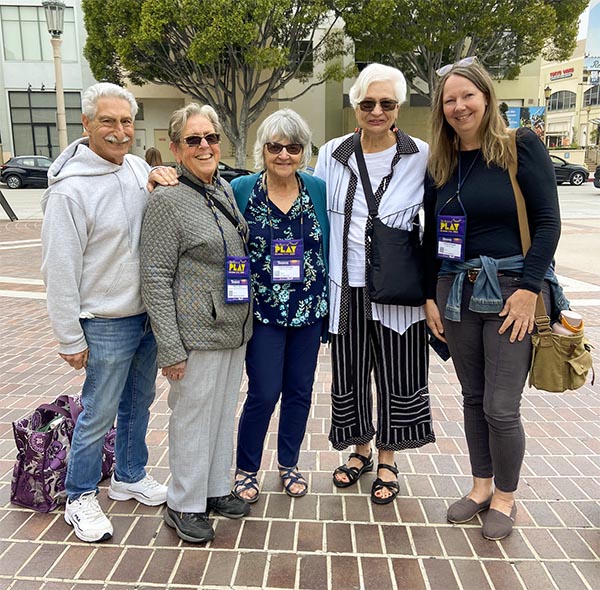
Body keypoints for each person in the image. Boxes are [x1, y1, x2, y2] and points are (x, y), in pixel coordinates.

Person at [423, 59, 562, 540]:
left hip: (509, 290)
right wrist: (428, 296)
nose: (459, 106)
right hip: (455, 290)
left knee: (501, 406)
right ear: (441, 110)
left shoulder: (520, 147)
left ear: (486, 97)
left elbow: (547, 223)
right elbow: (429, 238)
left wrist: (528, 289)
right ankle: (481, 486)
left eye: (468, 96)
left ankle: (505, 495)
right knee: (472, 397)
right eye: (450, 100)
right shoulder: (441, 163)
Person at [41, 82, 168, 543]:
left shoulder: (137, 168)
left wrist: (161, 179)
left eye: (126, 121)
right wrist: (69, 338)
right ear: (87, 125)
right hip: (105, 321)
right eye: (108, 121)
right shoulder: (69, 192)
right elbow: (58, 268)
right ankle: (79, 495)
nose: (119, 131)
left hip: (145, 316)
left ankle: (130, 475)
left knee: (139, 403)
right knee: (98, 411)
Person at [314, 63, 435, 505]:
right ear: (355, 107)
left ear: (398, 106)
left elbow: (440, 216)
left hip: (400, 290)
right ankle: (359, 449)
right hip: (346, 287)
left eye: (386, 103)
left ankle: (388, 457)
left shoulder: (419, 153)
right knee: (349, 372)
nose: (377, 111)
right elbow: (314, 210)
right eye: (367, 103)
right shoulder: (333, 153)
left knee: (398, 373)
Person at [140, 103, 253, 543]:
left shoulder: (220, 188)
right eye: (193, 140)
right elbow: (154, 276)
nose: (204, 146)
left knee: (222, 413)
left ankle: (213, 489)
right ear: (175, 148)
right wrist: (169, 348)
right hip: (195, 333)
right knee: (191, 417)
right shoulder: (167, 200)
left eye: (210, 138)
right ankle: (183, 503)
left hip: (232, 325)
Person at [230, 109, 328, 503]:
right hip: (264, 314)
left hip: (308, 311)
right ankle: (246, 467)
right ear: (263, 150)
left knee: (300, 391)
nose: (284, 154)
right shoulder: (241, 189)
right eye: (275, 146)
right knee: (265, 392)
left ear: (303, 151)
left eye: (293, 146)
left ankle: (289, 464)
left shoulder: (317, 189)